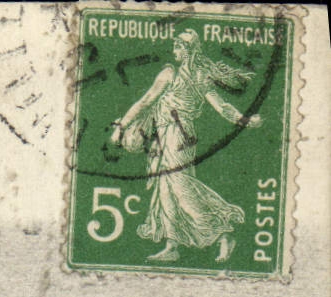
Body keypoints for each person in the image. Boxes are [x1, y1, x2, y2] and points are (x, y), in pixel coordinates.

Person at [109, 29, 257, 263]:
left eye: (178, 47)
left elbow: (221, 106)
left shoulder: (198, 77)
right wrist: (122, 124)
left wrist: (242, 120)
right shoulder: (169, 73)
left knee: (180, 185)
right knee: (165, 189)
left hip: (180, 135)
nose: (174, 51)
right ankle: (172, 245)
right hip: (163, 134)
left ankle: (223, 233)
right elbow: (146, 101)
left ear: (188, 51)